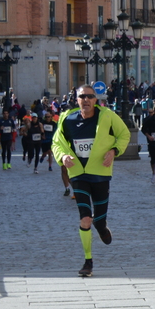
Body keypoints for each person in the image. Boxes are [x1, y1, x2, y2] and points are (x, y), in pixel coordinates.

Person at [51, 85, 131, 277]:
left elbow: (124, 135)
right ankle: (88, 261)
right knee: (85, 218)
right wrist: (62, 157)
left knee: (99, 219)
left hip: (100, 173)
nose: (85, 100)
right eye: (82, 96)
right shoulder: (67, 119)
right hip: (78, 174)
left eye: (90, 96)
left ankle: (101, 226)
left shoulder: (107, 116)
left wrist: (114, 151)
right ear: (76, 99)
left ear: (96, 99)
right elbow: (56, 143)